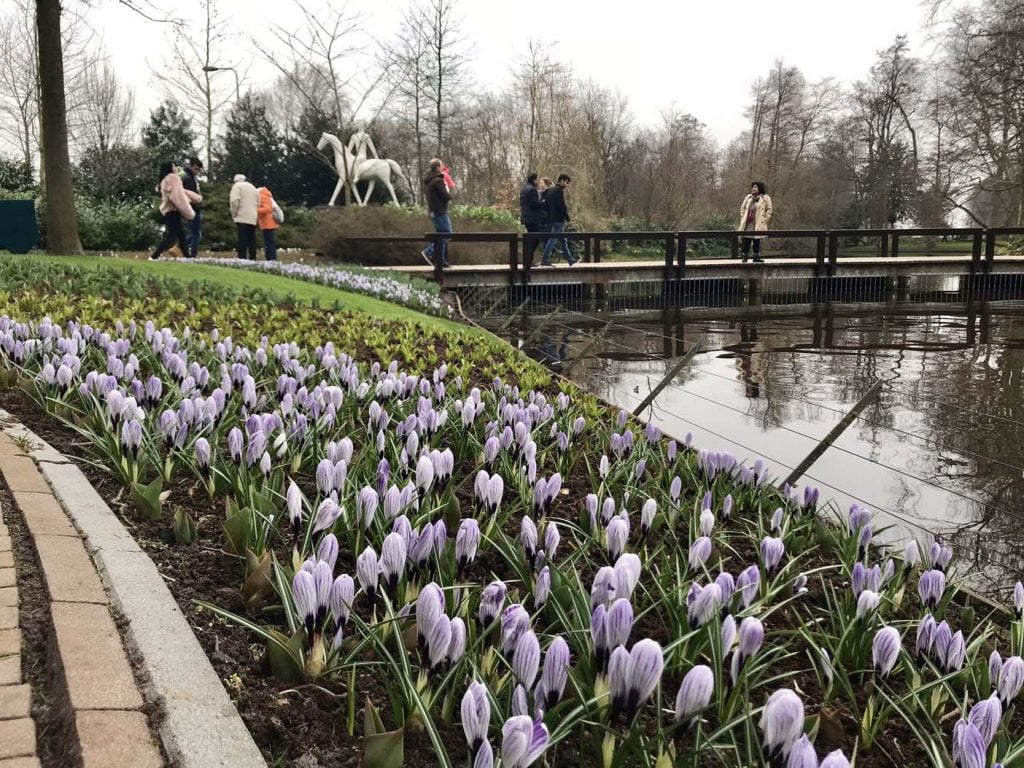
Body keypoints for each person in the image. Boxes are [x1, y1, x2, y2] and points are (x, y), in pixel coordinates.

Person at [149, 162, 200, 260]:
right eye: (173, 166)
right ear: (169, 168)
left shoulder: (165, 179)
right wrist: (188, 210)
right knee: (172, 236)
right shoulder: (173, 178)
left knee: (181, 235)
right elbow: (177, 196)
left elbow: (181, 188)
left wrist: (195, 197)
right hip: (173, 209)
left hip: (169, 210)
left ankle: (187, 256)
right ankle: (154, 256)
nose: (176, 167)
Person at [541, 174, 578, 266]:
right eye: (567, 182)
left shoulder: (550, 190)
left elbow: (545, 205)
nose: (567, 185)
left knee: (563, 240)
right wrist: (567, 217)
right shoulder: (558, 191)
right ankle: (544, 259)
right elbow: (562, 206)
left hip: (551, 218)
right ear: (562, 181)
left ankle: (570, 259)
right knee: (553, 239)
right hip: (558, 219)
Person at [422, 158, 452, 267]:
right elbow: (445, 196)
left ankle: (441, 260)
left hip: (432, 212)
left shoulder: (429, 182)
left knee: (441, 235)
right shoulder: (438, 181)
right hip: (440, 212)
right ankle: (429, 251)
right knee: (447, 235)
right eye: (441, 165)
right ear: (438, 167)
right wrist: (449, 193)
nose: (443, 167)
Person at [737, 181, 773, 263]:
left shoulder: (765, 198)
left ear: (760, 188)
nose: (753, 189)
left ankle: (756, 257)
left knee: (757, 240)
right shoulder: (748, 197)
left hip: (759, 222)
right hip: (748, 222)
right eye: (753, 187)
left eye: (756, 187)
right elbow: (742, 208)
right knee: (747, 240)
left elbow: (769, 210)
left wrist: (765, 220)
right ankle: (744, 257)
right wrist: (743, 218)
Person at [229, 174, 259, 260]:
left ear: (235, 181)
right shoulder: (253, 187)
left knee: (242, 239)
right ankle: (253, 258)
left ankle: (242, 258)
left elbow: (234, 201)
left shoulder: (236, 186)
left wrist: (233, 214)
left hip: (241, 216)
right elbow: (258, 202)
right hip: (252, 217)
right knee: (251, 239)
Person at [519, 172, 546, 267]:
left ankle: (528, 260)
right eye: (538, 179)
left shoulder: (524, 189)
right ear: (534, 180)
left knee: (532, 238)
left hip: (527, 218)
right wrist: (543, 203)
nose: (539, 182)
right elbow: (534, 204)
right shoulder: (532, 190)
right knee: (536, 238)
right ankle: (528, 261)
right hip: (532, 218)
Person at [182, 157, 204, 258]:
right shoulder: (187, 177)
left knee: (196, 233)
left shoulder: (191, 176)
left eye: (199, 170)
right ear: (190, 166)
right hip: (192, 208)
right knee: (196, 234)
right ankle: (193, 255)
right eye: (196, 169)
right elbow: (190, 194)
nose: (197, 171)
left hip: (194, 207)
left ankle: (180, 246)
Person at [257, 185, 280, 261]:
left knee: (269, 242)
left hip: (267, 223)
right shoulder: (267, 196)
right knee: (270, 242)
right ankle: (271, 258)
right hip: (270, 222)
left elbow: (267, 209)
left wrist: (256, 210)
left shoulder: (262, 196)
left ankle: (271, 259)